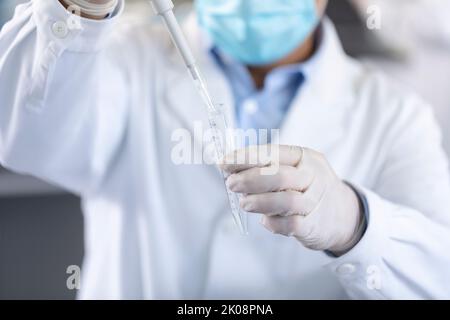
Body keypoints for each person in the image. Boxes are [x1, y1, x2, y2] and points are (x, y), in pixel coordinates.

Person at [0, 0, 449, 299]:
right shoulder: (125, 56)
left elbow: (438, 280)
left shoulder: (395, 115)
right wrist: (78, 10)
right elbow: (22, 139)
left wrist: (356, 222)